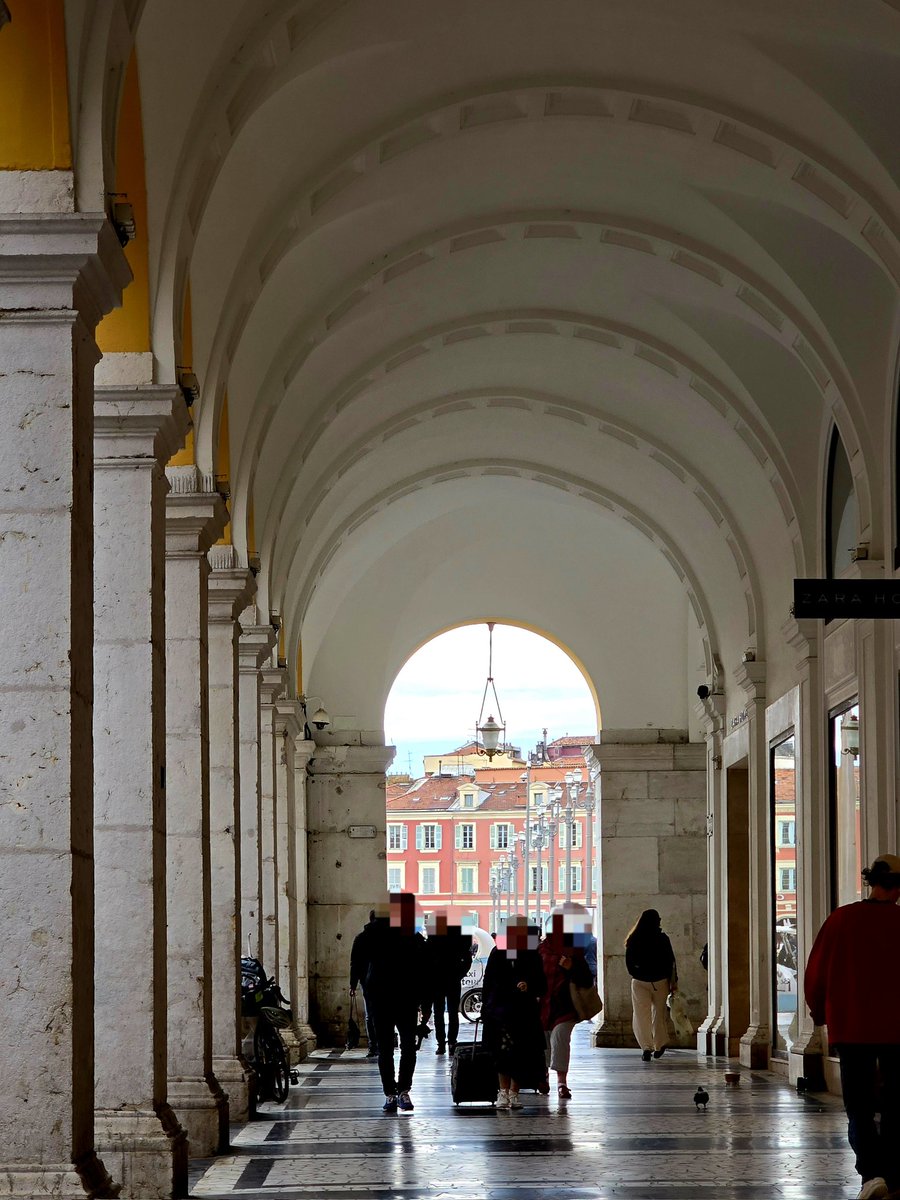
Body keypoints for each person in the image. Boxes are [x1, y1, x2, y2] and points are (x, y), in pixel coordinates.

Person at [805, 853, 900, 1200]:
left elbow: (815, 975)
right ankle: (893, 1172)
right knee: (895, 1102)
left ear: (870, 881)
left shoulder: (841, 919)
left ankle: (871, 1175)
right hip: (896, 1030)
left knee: (858, 1104)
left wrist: (819, 1015)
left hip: (853, 1029)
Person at [357, 893, 431, 1112]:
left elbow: (422, 971)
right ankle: (399, 1092)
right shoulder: (408, 936)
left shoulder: (372, 934)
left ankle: (394, 1093)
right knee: (403, 1047)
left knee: (391, 1048)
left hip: (391, 999)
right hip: (397, 999)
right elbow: (423, 972)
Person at [482, 915, 546, 1109]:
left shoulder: (532, 954)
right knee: (502, 1052)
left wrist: (529, 986)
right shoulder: (499, 952)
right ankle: (503, 1091)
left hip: (523, 1011)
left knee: (520, 1052)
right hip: (501, 1012)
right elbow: (490, 981)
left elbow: (541, 983)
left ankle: (514, 1092)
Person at [539, 912, 593, 1100]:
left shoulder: (574, 952)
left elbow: (586, 980)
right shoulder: (540, 950)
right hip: (543, 1005)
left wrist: (572, 968)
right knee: (544, 1042)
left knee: (560, 1039)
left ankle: (562, 1082)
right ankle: (543, 1077)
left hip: (565, 1007)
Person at [624, 908, 677, 1062]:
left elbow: (629, 963)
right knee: (659, 1014)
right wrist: (674, 981)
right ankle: (659, 1044)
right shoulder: (662, 939)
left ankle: (646, 1047)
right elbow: (671, 962)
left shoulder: (633, 939)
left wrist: (637, 972)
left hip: (639, 981)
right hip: (660, 981)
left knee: (641, 1015)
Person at [425, 912, 475, 1055]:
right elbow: (467, 958)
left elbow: (427, 960)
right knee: (453, 1012)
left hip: (437, 979)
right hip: (453, 978)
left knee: (438, 1012)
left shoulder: (433, 939)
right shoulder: (459, 937)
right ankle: (452, 1041)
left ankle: (441, 1043)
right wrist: (460, 974)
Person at [349, 909, 381, 1058]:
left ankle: (373, 1045)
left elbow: (354, 963)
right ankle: (382, 1044)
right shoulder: (390, 938)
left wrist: (353, 984)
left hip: (367, 981)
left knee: (370, 1014)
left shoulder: (361, 938)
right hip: (386, 981)